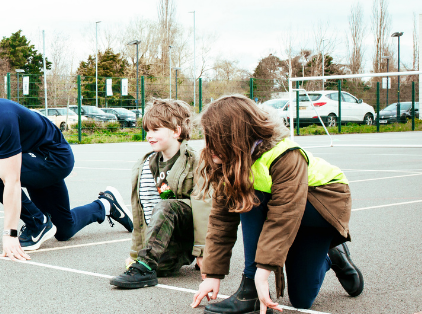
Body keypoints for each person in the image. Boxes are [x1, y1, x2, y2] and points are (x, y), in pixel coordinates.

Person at [0, 73, 133, 259]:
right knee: (64, 230)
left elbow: (11, 179)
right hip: (31, 164)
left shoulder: (0, 117)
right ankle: (106, 204)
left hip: (54, 159)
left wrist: (10, 233)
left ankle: (38, 222)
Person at [190, 96, 364, 314]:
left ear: (236, 137)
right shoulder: (229, 159)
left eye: (216, 139)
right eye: (208, 138)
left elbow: (283, 217)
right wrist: (212, 274)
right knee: (302, 299)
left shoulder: (285, 155)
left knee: (251, 195)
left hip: (322, 204)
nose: (209, 146)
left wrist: (260, 274)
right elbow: (222, 219)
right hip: (285, 209)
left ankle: (251, 288)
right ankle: (330, 257)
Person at [110, 99, 211, 289]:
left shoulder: (196, 162)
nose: (149, 135)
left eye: (156, 130)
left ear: (176, 131)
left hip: (189, 232)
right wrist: (135, 254)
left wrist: (203, 253)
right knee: (163, 268)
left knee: (167, 204)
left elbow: (204, 209)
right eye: (147, 130)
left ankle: (145, 267)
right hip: (167, 236)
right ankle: (146, 261)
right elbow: (143, 214)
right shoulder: (146, 165)